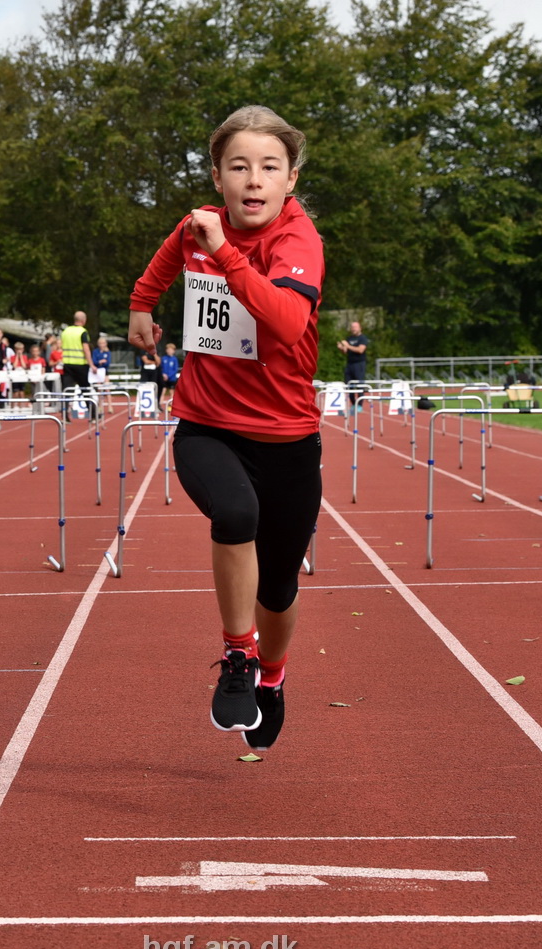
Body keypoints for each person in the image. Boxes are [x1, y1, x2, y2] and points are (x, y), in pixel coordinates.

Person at [128, 105, 324, 751]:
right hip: (208, 424)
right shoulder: (195, 228)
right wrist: (140, 306)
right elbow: (163, 263)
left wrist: (226, 256)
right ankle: (237, 658)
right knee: (233, 514)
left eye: (268, 167)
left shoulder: (297, 242)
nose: (253, 178)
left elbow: (286, 323)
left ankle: (271, 675)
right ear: (218, 176)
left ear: (290, 179)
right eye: (238, 166)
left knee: (279, 584)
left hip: (288, 438)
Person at [60, 310, 97, 420]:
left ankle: (64, 416)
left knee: (67, 390)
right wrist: (91, 364)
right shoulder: (82, 332)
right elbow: (86, 349)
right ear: (83, 320)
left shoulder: (65, 331)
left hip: (67, 364)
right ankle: (93, 415)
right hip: (81, 365)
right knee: (85, 389)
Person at [337, 321, 368, 412]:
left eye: (355, 327)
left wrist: (348, 345)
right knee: (349, 384)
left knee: (359, 385)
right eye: (352, 327)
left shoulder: (362, 338)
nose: (354, 329)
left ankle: (360, 405)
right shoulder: (349, 338)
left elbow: (360, 350)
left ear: (360, 328)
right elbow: (345, 351)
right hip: (349, 364)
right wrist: (341, 348)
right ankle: (353, 404)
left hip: (359, 364)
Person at [91, 335, 114, 414]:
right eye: (100, 343)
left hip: (105, 372)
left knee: (107, 389)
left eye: (103, 343)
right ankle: (100, 406)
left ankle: (110, 406)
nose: (102, 345)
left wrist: (101, 362)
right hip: (97, 372)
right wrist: (100, 362)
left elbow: (107, 363)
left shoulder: (107, 352)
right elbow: (94, 361)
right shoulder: (95, 351)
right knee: (99, 389)